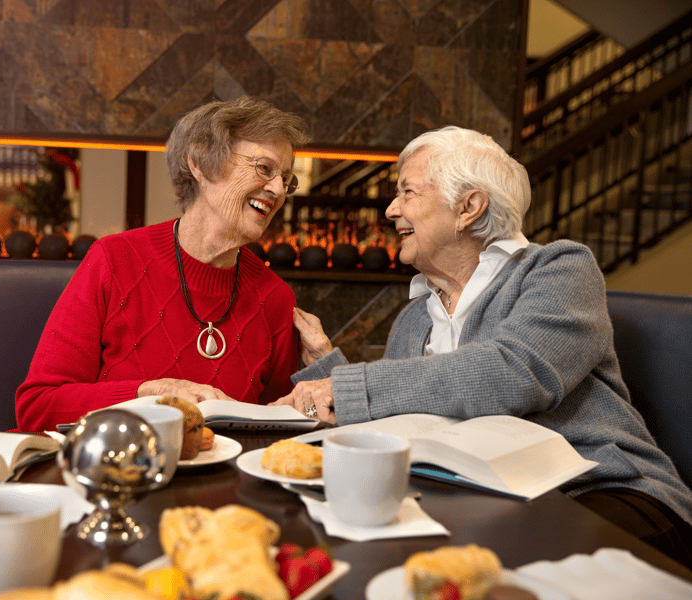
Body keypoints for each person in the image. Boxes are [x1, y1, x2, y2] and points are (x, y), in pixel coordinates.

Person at [271, 126, 692, 567]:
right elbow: (398, 421)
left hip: (606, 492)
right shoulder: (414, 320)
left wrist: (346, 385)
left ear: (468, 207)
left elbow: (514, 372)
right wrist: (327, 369)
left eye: (407, 192)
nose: (391, 209)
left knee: (487, 570)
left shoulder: (558, 270)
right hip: (490, 502)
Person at [16, 97, 310, 432]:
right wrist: (148, 394)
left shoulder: (275, 299)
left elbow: (279, 432)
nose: (277, 190)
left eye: (286, 179)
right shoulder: (114, 261)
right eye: (264, 168)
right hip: (112, 474)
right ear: (200, 163)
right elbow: (37, 408)